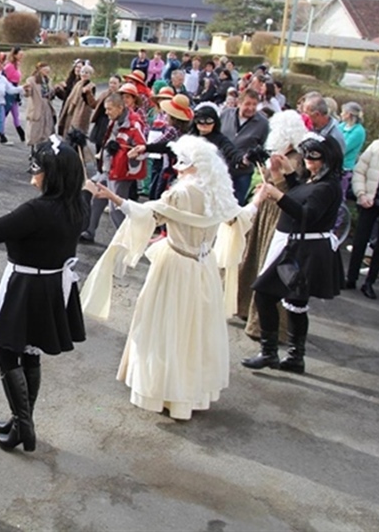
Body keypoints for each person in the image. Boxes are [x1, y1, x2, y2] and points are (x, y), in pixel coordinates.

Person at [82, 135, 259, 420]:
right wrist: (259, 198)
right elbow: (241, 218)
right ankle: (189, 395)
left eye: (182, 163)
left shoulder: (180, 194)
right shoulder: (220, 194)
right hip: (204, 269)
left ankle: (162, 392)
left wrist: (112, 196)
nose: (177, 168)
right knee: (195, 331)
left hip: (175, 266)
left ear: (195, 167)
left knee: (165, 327)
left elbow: (147, 215)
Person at [0, 136, 87, 451]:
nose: (32, 176)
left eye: (37, 170)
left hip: (26, 285)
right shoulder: (78, 203)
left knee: (6, 351)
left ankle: (24, 425)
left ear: (54, 175)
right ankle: (21, 419)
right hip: (52, 287)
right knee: (30, 350)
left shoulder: (37, 210)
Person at [242, 134, 344, 374]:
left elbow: (306, 213)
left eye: (315, 156)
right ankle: (295, 358)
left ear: (328, 158)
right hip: (297, 247)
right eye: (306, 155)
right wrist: (285, 175)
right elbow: (300, 193)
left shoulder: (328, 187)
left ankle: (270, 353)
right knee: (295, 302)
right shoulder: (315, 180)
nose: (309, 160)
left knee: (266, 294)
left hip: (304, 251)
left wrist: (277, 194)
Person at [236, 110, 308, 335]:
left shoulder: (295, 159)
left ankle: (264, 325)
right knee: (253, 258)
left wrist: (274, 181)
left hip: (278, 214)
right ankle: (245, 307)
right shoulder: (280, 153)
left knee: (268, 263)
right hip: (266, 209)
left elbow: (290, 190)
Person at [81, 92, 147, 244]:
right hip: (108, 169)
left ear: (120, 107)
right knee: (95, 198)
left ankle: (128, 241)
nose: (106, 112)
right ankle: (89, 231)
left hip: (121, 172)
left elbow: (143, 148)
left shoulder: (133, 123)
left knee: (115, 209)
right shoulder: (115, 120)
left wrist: (133, 154)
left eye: (109, 109)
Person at [347, 128, 379, 299]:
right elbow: (360, 171)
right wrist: (361, 194)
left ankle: (369, 283)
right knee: (360, 241)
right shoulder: (377, 146)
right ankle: (351, 278)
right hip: (369, 202)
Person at [219, 89, 270, 204]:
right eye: (247, 104)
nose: (251, 108)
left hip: (242, 173)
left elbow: (262, 145)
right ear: (239, 103)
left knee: (236, 204)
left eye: (254, 105)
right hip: (221, 169)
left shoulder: (263, 123)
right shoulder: (225, 114)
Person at [22, 62, 60, 149]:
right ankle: (33, 151)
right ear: (39, 70)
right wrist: (26, 90)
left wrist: (55, 90)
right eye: (45, 70)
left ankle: (43, 149)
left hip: (47, 106)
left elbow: (50, 94)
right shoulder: (31, 80)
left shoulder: (48, 80)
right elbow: (28, 94)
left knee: (46, 129)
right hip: (37, 108)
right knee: (35, 130)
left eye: (48, 70)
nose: (47, 72)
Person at [56, 63, 97, 137]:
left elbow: (91, 103)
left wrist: (88, 93)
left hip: (81, 112)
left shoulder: (91, 86)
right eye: (82, 72)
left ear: (90, 74)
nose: (84, 74)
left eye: (86, 73)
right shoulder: (78, 84)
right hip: (72, 110)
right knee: (68, 131)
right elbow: (70, 97)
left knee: (77, 133)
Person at [339, 102, 367, 194]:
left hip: (345, 167)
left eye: (343, 112)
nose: (341, 114)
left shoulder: (359, 131)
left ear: (349, 114)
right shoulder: (341, 126)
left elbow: (344, 148)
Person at [1, 47, 26, 144]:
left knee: (16, 113)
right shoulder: (9, 66)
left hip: (15, 90)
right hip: (8, 91)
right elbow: (3, 78)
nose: (21, 57)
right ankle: (1, 135)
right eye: (20, 55)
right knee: (4, 113)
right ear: (14, 55)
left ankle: (22, 134)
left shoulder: (17, 65)